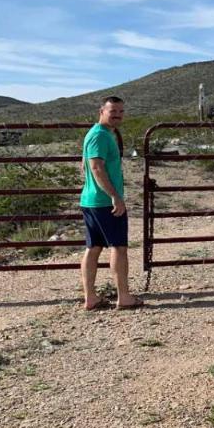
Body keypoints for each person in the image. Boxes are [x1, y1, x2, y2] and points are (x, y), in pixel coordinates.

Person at [79, 96, 143, 310]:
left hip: (91, 200)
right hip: (105, 202)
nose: (117, 115)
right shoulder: (100, 136)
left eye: (121, 111)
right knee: (119, 247)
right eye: (113, 111)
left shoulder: (97, 134)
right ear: (102, 111)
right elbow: (96, 167)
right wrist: (115, 196)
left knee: (94, 247)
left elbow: (85, 165)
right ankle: (124, 297)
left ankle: (91, 298)